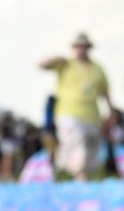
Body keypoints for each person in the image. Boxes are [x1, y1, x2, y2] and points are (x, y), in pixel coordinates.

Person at [38, 32, 117, 178]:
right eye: (78, 46)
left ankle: (81, 176)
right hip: (68, 113)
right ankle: (79, 178)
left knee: (92, 149)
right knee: (77, 144)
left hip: (92, 115)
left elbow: (105, 92)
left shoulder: (98, 68)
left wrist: (111, 113)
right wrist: (56, 58)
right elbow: (41, 65)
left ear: (89, 48)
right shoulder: (65, 64)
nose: (81, 49)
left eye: (84, 46)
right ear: (73, 47)